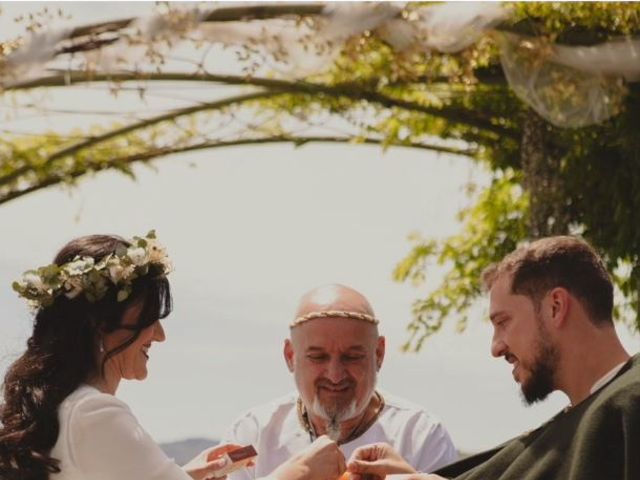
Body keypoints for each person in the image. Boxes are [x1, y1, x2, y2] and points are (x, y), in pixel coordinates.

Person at [0, 232, 346, 480]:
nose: (161, 335)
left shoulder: (63, 409)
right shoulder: (93, 413)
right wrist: (299, 471)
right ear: (100, 325)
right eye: (149, 319)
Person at [347, 236, 640, 480]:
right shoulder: (580, 419)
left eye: (503, 322)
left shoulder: (629, 402)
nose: (496, 347)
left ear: (555, 307)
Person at [224, 284, 457, 480]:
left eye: (352, 357)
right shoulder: (250, 436)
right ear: (290, 356)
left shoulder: (421, 436)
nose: (335, 375)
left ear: (378, 354)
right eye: (318, 357)